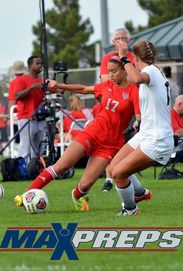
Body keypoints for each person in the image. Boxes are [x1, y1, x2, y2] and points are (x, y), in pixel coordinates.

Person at [14, 55, 149, 212]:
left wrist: (139, 124)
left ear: (125, 71)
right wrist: (60, 85)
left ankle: (77, 196)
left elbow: (140, 117)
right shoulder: (106, 86)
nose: (110, 75)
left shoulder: (134, 92)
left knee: (85, 185)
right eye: (108, 71)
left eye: (114, 71)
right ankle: (26, 196)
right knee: (62, 166)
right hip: (92, 132)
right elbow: (84, 89)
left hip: (110, 145)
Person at [108, 39, 174, 216]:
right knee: (112, 168)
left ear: (135, 57)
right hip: (147, 133)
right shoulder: (153, 71)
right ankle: (140, 193)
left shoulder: (149, 71)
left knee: (119, 174)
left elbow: (136, 79)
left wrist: (123, 57)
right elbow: (133, 79)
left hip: (158, 139)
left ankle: (130, 210)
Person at [100, 28, 135, 192]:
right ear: (113, 42)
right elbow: (104, 79)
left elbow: (137, 78)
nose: (121, 41)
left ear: (129, 41)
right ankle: (109, 177)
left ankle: (118, 177)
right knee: (113, 143)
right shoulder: (107, 58)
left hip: (132, 104)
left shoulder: (133, 57)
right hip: (112, 105)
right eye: (118, 38)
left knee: (125, 144)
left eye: (124, 38)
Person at [14, 56, 46, 165]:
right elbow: (17, 96)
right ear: (30, 65)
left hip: (40, 118)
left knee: (38, 147)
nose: (40, 65)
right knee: (26, 145)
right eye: (37, 63)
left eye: (40, 63)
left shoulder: (41, 81)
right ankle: (21, 170)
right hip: (26, 117)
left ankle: (34, 168)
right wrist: (31, 87)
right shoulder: (21, 80)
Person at [8, 60, 26, 144]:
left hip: (17, 114)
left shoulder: (13, 82)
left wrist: (9, 116)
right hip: (28, 113)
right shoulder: (27, 80)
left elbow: (12, 101)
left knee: (18, 141)